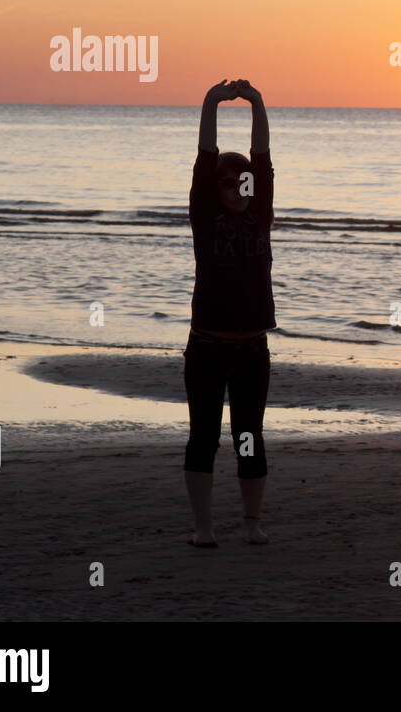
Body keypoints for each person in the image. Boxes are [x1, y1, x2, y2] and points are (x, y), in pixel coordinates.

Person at [183, 78, 274, 547]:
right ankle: (203, 527)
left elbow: (262, 156)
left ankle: (252, 522)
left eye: (245, 181)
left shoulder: (260, 213)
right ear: (216, 187)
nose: (239, 187)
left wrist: (257, 103)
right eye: (229, 181)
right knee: (204, 438)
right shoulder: (204, 214)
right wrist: (210, 103)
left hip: (252, 350)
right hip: (206, 348)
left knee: (249, 436)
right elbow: (204, 157)